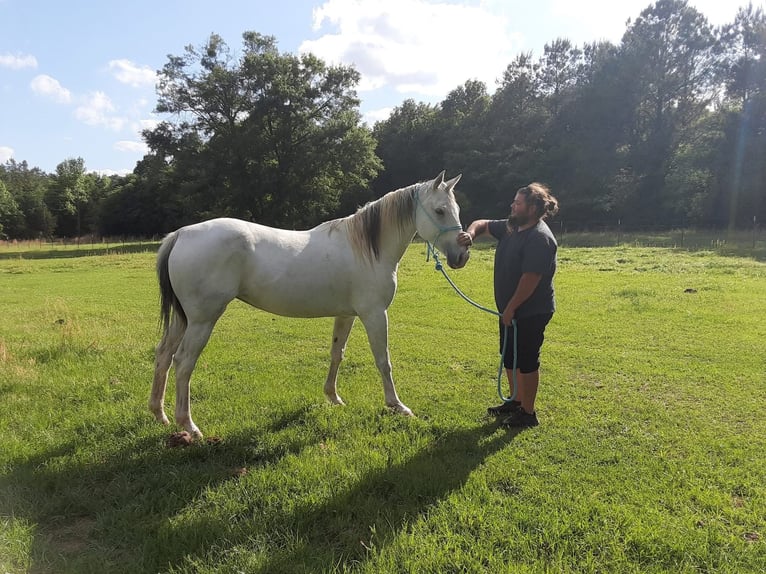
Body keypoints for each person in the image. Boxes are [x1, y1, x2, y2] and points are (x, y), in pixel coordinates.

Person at [457, 183, 559, 428]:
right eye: (514, 201)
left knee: (526, 360)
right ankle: (515, 402)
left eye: (518, 203)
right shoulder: (513, 227)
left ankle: (528, 413)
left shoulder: (540, 238)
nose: (512, 206)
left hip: (531, 311)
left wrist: (511, 307)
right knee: (510, 357)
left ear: (533, 207)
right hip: (510, 310)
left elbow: (530, 279)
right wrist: (470, 234)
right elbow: (482, 224)